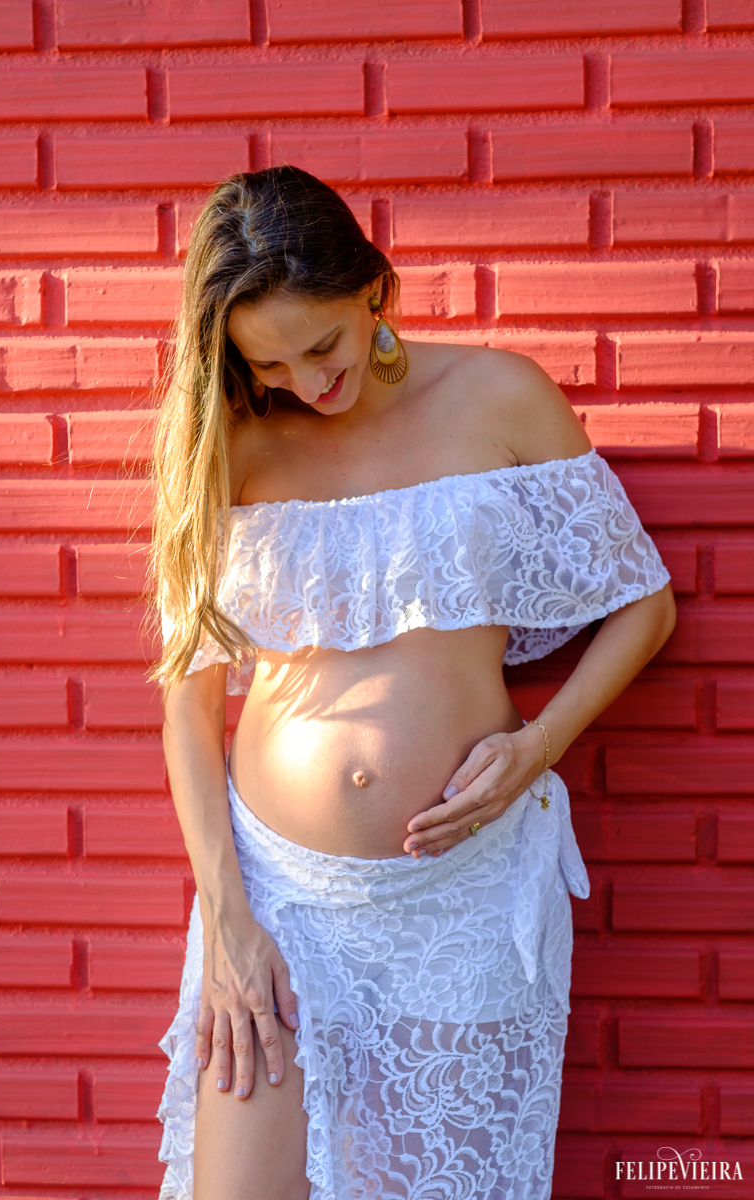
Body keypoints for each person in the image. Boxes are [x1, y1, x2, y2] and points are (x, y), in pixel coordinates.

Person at [150, 165, 676, 1200]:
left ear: (372, 293)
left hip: (460, 894)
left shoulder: (498, 396)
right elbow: (189, 697)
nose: (307, 382)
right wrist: (226, 922)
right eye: (269, 363)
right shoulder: (233, 441)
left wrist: (539, 743)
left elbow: (642, 604)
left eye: (322, 345)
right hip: (278, 898)